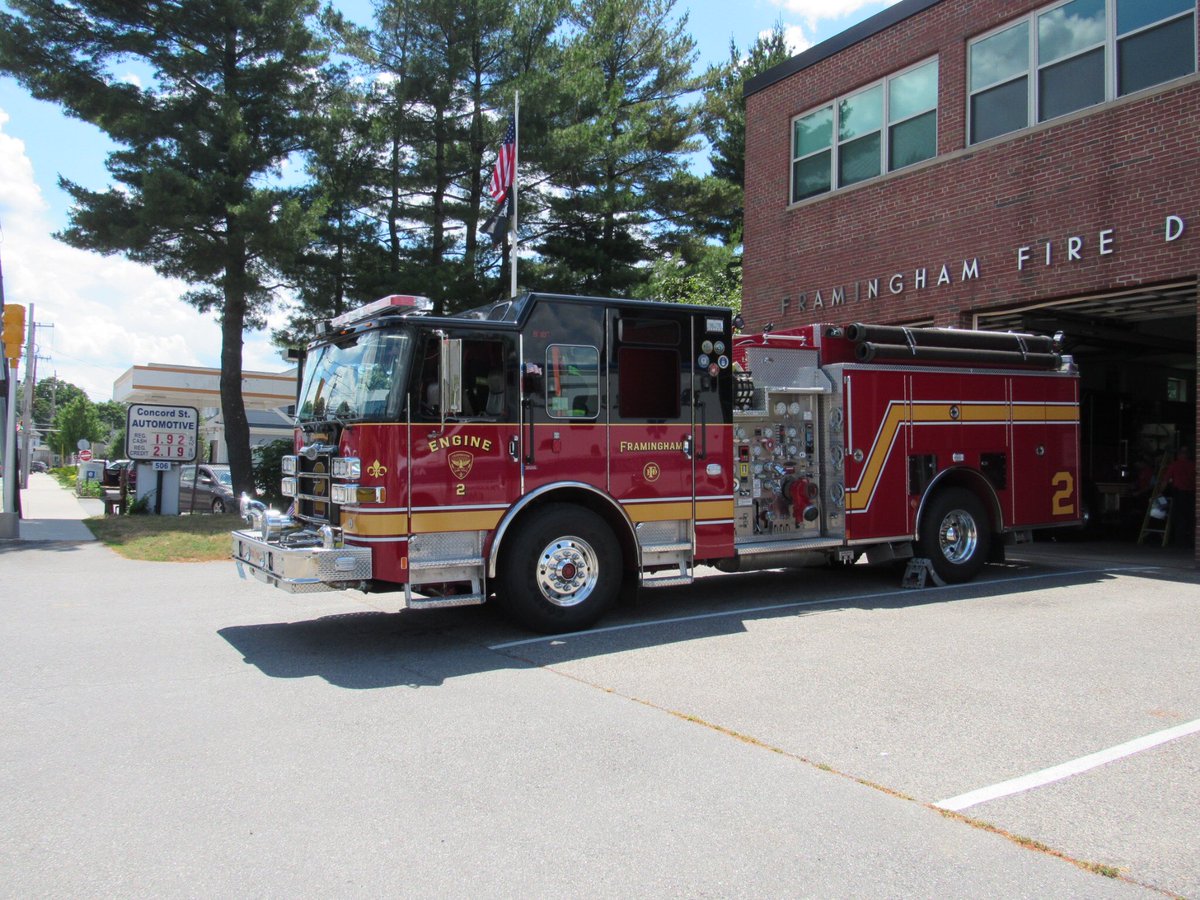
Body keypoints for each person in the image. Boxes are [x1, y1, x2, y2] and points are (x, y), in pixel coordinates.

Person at [1165, 446, 1195, 547]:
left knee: (1179, 517)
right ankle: (1191, 540)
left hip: (1180, 493)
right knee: (1191, 518)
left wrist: (1158, 493)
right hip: (1191, 493)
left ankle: (1180, 541)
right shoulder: (1193, 465)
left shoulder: (1175, 465)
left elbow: (1166, 480)